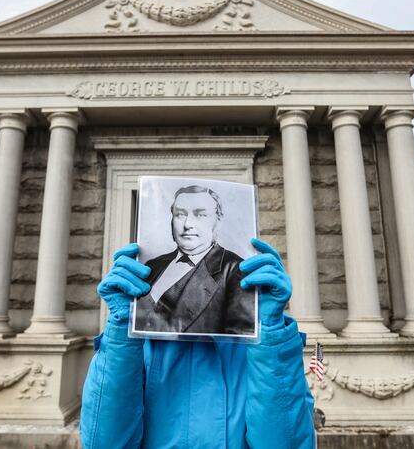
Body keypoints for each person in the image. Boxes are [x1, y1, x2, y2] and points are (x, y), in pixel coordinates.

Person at [80, 238, 316, 449]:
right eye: (181, 215)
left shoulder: (260, 342)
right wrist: (121, 327)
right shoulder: (140, 333)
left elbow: (287, 443)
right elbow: (104, 443)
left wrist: (270, 331)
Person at [134, 185, 254, 335]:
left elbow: (240, 344)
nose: (187, 224)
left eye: (200, 215)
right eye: (180, 214)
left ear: (218, 221)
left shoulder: (236, 270)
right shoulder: (153, 265)